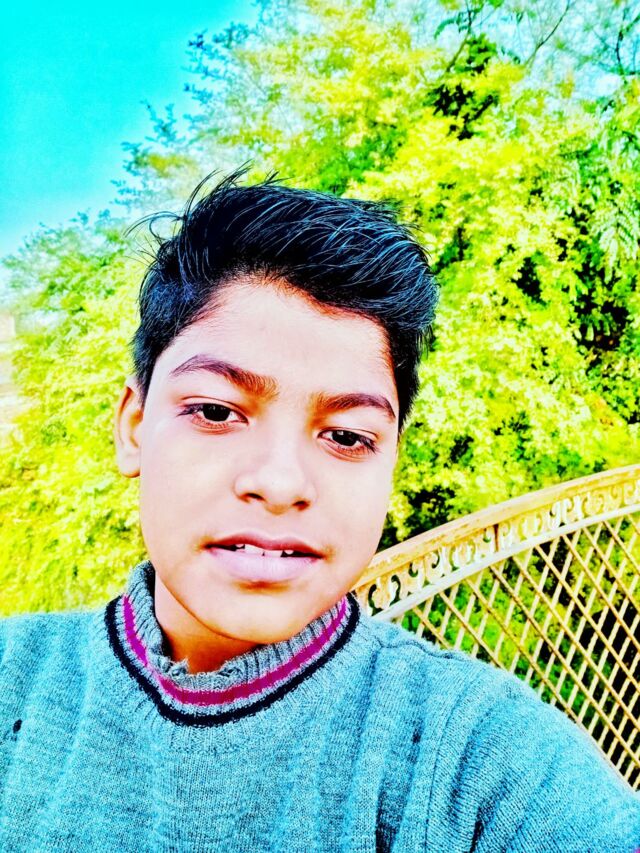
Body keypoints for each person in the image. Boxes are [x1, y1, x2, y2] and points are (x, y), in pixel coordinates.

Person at [0, 169, 638, 853]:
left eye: (346, 436)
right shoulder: (15, 682)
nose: (279, 483)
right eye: (216, 410)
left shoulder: (479, 757)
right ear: (133, 426)